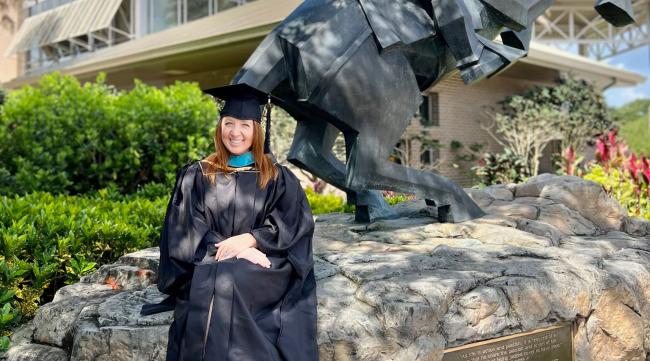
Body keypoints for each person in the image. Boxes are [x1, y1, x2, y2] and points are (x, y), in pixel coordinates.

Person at [141, 83, 318, 361]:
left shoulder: (277, 176)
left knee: (226, 279)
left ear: (257, 130)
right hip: (208, 258)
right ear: (220, 126)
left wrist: (253, 239)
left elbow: (292, 224)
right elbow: (186, 228)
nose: (235, 132)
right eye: (229, 123)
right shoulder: (197, 174)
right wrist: (235, 249)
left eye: (245, 125)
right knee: (220, 276)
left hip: (265, 264)